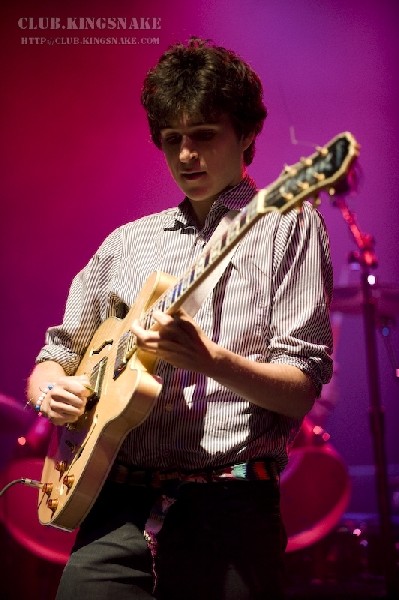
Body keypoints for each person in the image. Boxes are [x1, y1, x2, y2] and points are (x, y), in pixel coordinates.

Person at [26, 37, 333, 600]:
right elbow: (55, 354)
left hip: (230, 508)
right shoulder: (126, 243)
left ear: (246, 136)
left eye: (204, 136)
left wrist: (206, 359)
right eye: (173, 141)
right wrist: (53, 392)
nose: (187, 155)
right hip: (114, 504)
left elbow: (300, 391)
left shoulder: (287, 225)